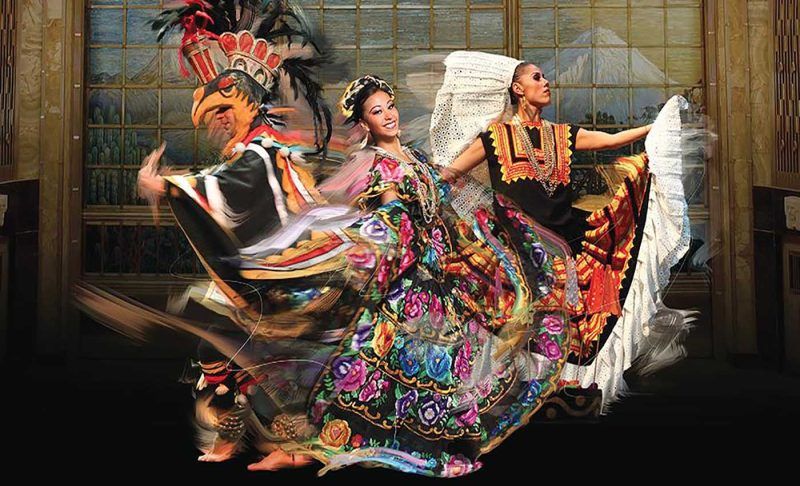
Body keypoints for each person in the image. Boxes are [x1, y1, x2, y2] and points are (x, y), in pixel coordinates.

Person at [431, 51, 692, 404]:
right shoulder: (496, 137)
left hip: (566, 246)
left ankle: (560, 394)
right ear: (517, 89)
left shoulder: (561, 134)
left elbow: (612, 140)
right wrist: (413, 182)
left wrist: (657, 128)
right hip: (518, 253)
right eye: (537, 77)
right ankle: (513, 400)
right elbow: (450, 174)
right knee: (519, 329)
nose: (546, 82)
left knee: (567, 326)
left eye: (544, 77)